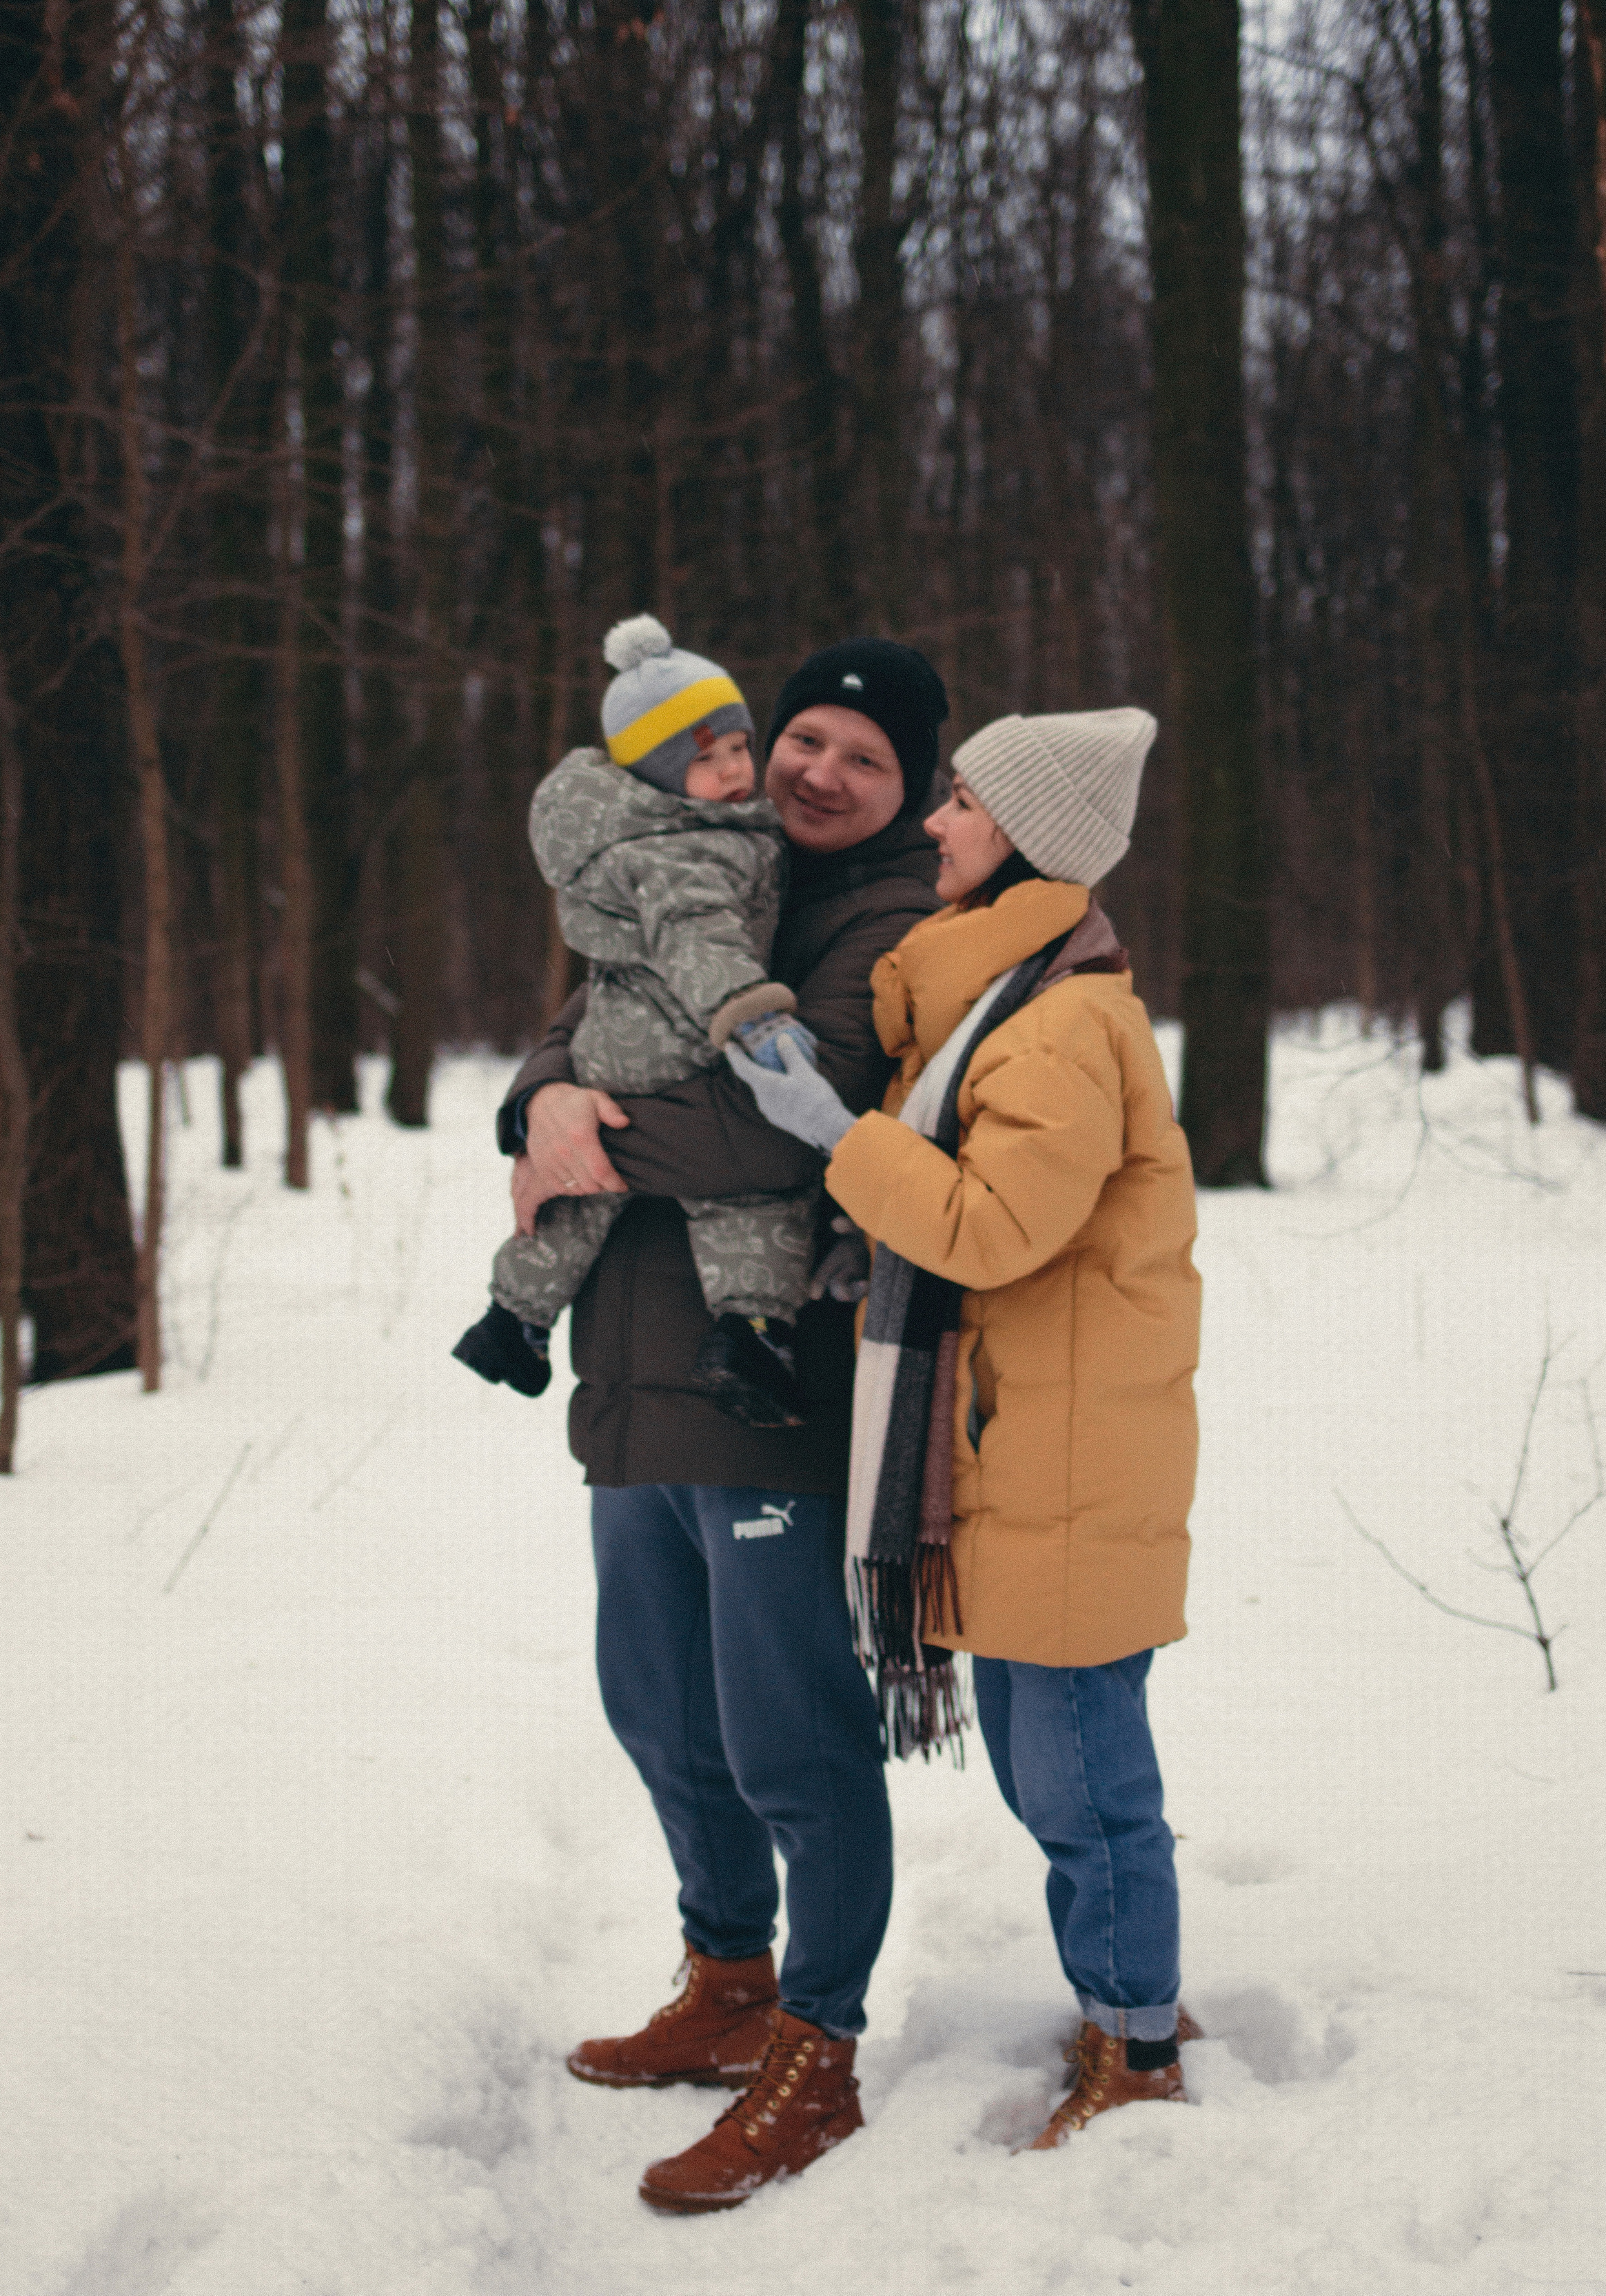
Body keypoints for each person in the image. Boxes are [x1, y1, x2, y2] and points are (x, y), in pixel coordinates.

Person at [496, 638, 951, 2213]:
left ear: (906, 788)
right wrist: (543, 1099)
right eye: (803, 737)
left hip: (770, 1383)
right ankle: (727, 1979)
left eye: (864, 759)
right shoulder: (689, 848)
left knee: (786, 1736)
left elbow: (787, 1124)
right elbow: (584, 1017)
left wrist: (588, 1140)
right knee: (657, 1710)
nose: (819, 772)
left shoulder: (887, 919)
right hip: (631, 1373)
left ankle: (817, 2043)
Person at [723, 707, 1203, 2151]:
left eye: (963, 804)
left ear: (1028, 841)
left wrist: (837, 1134)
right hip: (1030, 1447)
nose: (933, 822)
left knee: (1078, 1783)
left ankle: (1134, 2046)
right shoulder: (1001, 1006)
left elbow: (990, 1228)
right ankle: (1128, 1999)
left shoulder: (1057, 1027)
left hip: (1060, 1460)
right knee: (1054, 1767)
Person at [456, 615, 819, 1428]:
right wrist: (751, 1017)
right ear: (658, 772)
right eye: (705, 759)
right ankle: (753, 1332)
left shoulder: (636, 838)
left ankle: (512, 1319)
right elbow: (700, 939)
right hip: (683, 1041)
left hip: (609, 1048)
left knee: (582, 1194)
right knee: (748, 1193)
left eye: (740, 747)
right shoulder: (690, 850)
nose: (734, 770)